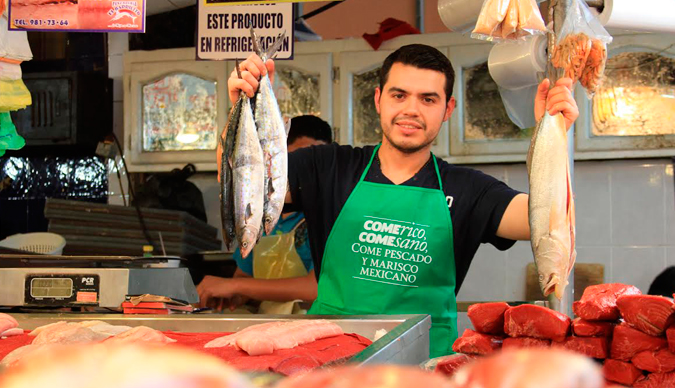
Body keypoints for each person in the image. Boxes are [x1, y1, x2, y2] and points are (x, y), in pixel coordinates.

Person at [220, 44, 579, 357]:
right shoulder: (326, 167)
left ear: (448, 108)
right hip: (332, 361)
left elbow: (546, 219)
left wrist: (550, 136)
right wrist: (237, 115)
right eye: (399, 95)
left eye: (428, 99)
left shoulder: (470, 189)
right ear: (378, 99)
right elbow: (241, 185)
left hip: (423, 370)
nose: (411, 109)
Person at [197, 115, 333, 310]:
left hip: (310, 324)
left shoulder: (330, 214)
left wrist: (234, 286)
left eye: (316, 165)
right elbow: (245, 276)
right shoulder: (259, 216)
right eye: (299, 162)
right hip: (265, 324)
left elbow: (316, 288)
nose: (307, 173)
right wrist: (232, 296)